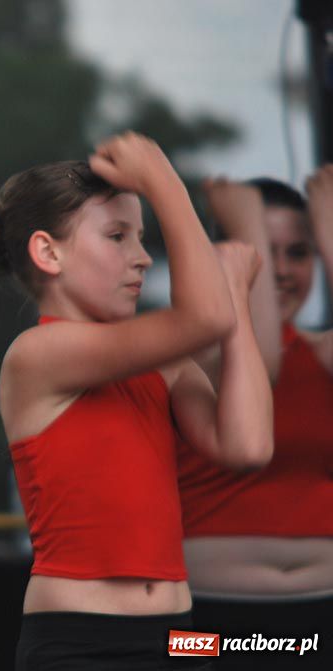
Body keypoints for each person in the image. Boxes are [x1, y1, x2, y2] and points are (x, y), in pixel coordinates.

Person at [0, 131, 273, 670]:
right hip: (80, 641)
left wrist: (237, 300)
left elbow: (246, 445)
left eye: (141, 237)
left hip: (180, 635)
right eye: (118, 236)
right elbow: (203, 318)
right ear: (47, 252)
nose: (142, 259)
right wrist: (162, 178)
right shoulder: (38, 354)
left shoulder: (164, 365)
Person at [177, 172, 333, 670]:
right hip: (208, 622)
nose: (282, 271)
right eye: (265, 252)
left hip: (322, 619)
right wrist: (242, 223)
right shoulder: (186, 353)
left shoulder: (319, 354)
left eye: (299, 252)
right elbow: (258, 361)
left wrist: (328, 227)